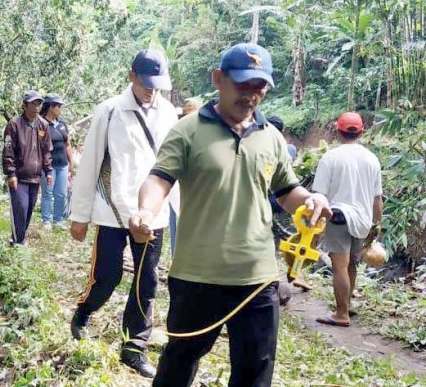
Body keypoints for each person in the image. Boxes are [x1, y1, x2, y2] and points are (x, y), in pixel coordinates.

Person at [129, 43, 331, 386]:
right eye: (243, 85)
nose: (252, 96)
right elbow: (158, 179)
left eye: (260, 88)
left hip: (258, 280)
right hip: (197, 276)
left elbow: (286, 192)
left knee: (255, 372)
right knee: (179, 363)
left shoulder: (272, 138)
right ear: (218, 79)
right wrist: (145, 212)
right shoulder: (188, 130)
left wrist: (310, 200)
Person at [69, 48, 178, 377]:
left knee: (147, 280)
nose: (151, 89)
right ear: (131, 75)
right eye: (146, 82)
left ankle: (134, 346)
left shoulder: (169, 113)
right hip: (112, 212)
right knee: (108, 276)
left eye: (157, 84)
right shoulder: (110, 111)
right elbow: (90, 163)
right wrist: (80, 215)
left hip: (152, 215)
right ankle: (84, 311)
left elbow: (173, 164)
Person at [313, 112, 383, 327]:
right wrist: (377, 225)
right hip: (363, 221)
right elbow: (377, 199)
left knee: (340, 267)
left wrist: (315, 227)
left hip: (339, 217)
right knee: (351, 263)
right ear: (361, 132)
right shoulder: (372, 159)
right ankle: (347, 305)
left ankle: (341, 313)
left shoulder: (330, 157)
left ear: (337, 131)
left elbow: (319, 196)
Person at [267, 115, 312, 292]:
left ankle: (269, 277)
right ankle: (296, 274)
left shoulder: (261, 144)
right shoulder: (290, 149)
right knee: (290, 237)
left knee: (268, 238)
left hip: (265, 201)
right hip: (284, 199)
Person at [2, 90, 53, 246]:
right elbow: (8, 149)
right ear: (24, 106)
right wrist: (11, 173)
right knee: (20, 208)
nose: (37, 107)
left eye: (39, 103)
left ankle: (16, 238)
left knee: (29, 210)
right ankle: (19, 242)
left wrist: (49, 170)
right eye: (33, 103)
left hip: (35, 176)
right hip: (19, 175)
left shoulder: (43, 125)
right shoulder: (14, 124)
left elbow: (46, 150)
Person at [168, 97, 203, 256]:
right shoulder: (177, 135)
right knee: (178, 233)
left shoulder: (207, 135)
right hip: (177, 190)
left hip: (200, 193)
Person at [40, 93, 75, 230]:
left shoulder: (62, 124)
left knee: (61, 193)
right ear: (50, 107)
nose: (60, 109)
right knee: (48, 193)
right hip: (48, 166)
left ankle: (58, 220)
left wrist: (71, 164)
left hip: (62, 165)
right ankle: (46, 220)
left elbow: (68, 145)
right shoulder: (42, 124)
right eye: (58, 106)